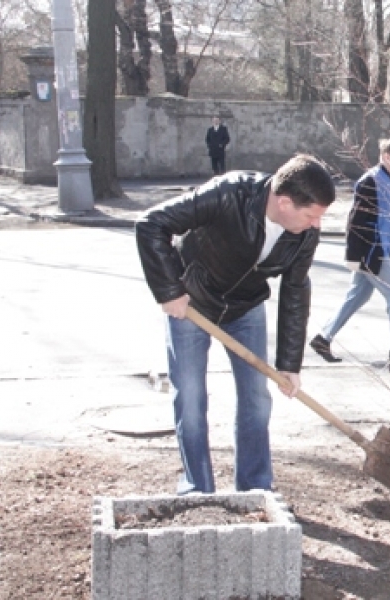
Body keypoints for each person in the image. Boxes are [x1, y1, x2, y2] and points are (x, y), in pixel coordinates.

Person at [135, 154, 336, 494]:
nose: (316, 224)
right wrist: (169, 289)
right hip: (191, 304)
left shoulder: (304, 234)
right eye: (311, 215)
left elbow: (296, 289)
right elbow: (152, 224)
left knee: (257, 398)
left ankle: (255, 487)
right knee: (192, 398)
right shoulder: (229, 194)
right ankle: (196, 490)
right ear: (284, 202)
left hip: (245, 308)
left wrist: (289, 364)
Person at [309, 139, 390, 374]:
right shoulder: (369, 182)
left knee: (357, 297)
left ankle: (323, 338)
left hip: (383, 251)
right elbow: (356, 222)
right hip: (370, 253)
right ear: (387, 157)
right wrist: (360, 255)